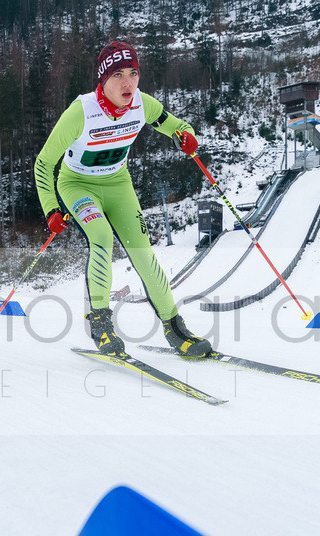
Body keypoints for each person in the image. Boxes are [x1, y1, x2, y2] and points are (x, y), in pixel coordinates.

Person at [34, 40, 212, 357]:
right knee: (101, 237)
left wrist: (186, 136)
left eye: (133, 73)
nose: (128, 83)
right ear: (103, 80)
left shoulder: (142, 104)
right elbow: (44, 163)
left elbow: (178, 126)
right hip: (77, 185)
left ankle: (175, 329)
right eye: (118, 75)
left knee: (143, 253)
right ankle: (101, 325)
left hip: (118, 184)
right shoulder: (81, 111)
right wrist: (51, 208)